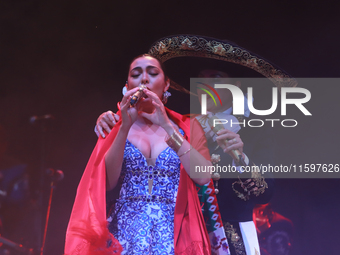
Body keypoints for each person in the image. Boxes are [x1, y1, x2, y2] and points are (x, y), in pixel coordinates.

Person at [95, 35, 296, 255]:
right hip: (182, 233)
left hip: (232, 237)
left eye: (216, 77)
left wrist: (241, 158)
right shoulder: (183, 124)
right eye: (202, 78)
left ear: (236, 86)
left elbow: (266, 193)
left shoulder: (256, 129)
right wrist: (111, 119)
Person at [65, 54, 213, 255]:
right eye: (136, 75)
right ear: (127, 85)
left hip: (174, 234)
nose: (144, 79)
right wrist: (124, 127)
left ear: (166, 84)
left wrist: (167, 127)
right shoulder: (113, 125)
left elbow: (203, 176)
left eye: (152, 73)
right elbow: (106, 183)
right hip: (125, 234)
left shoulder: (186, 126)